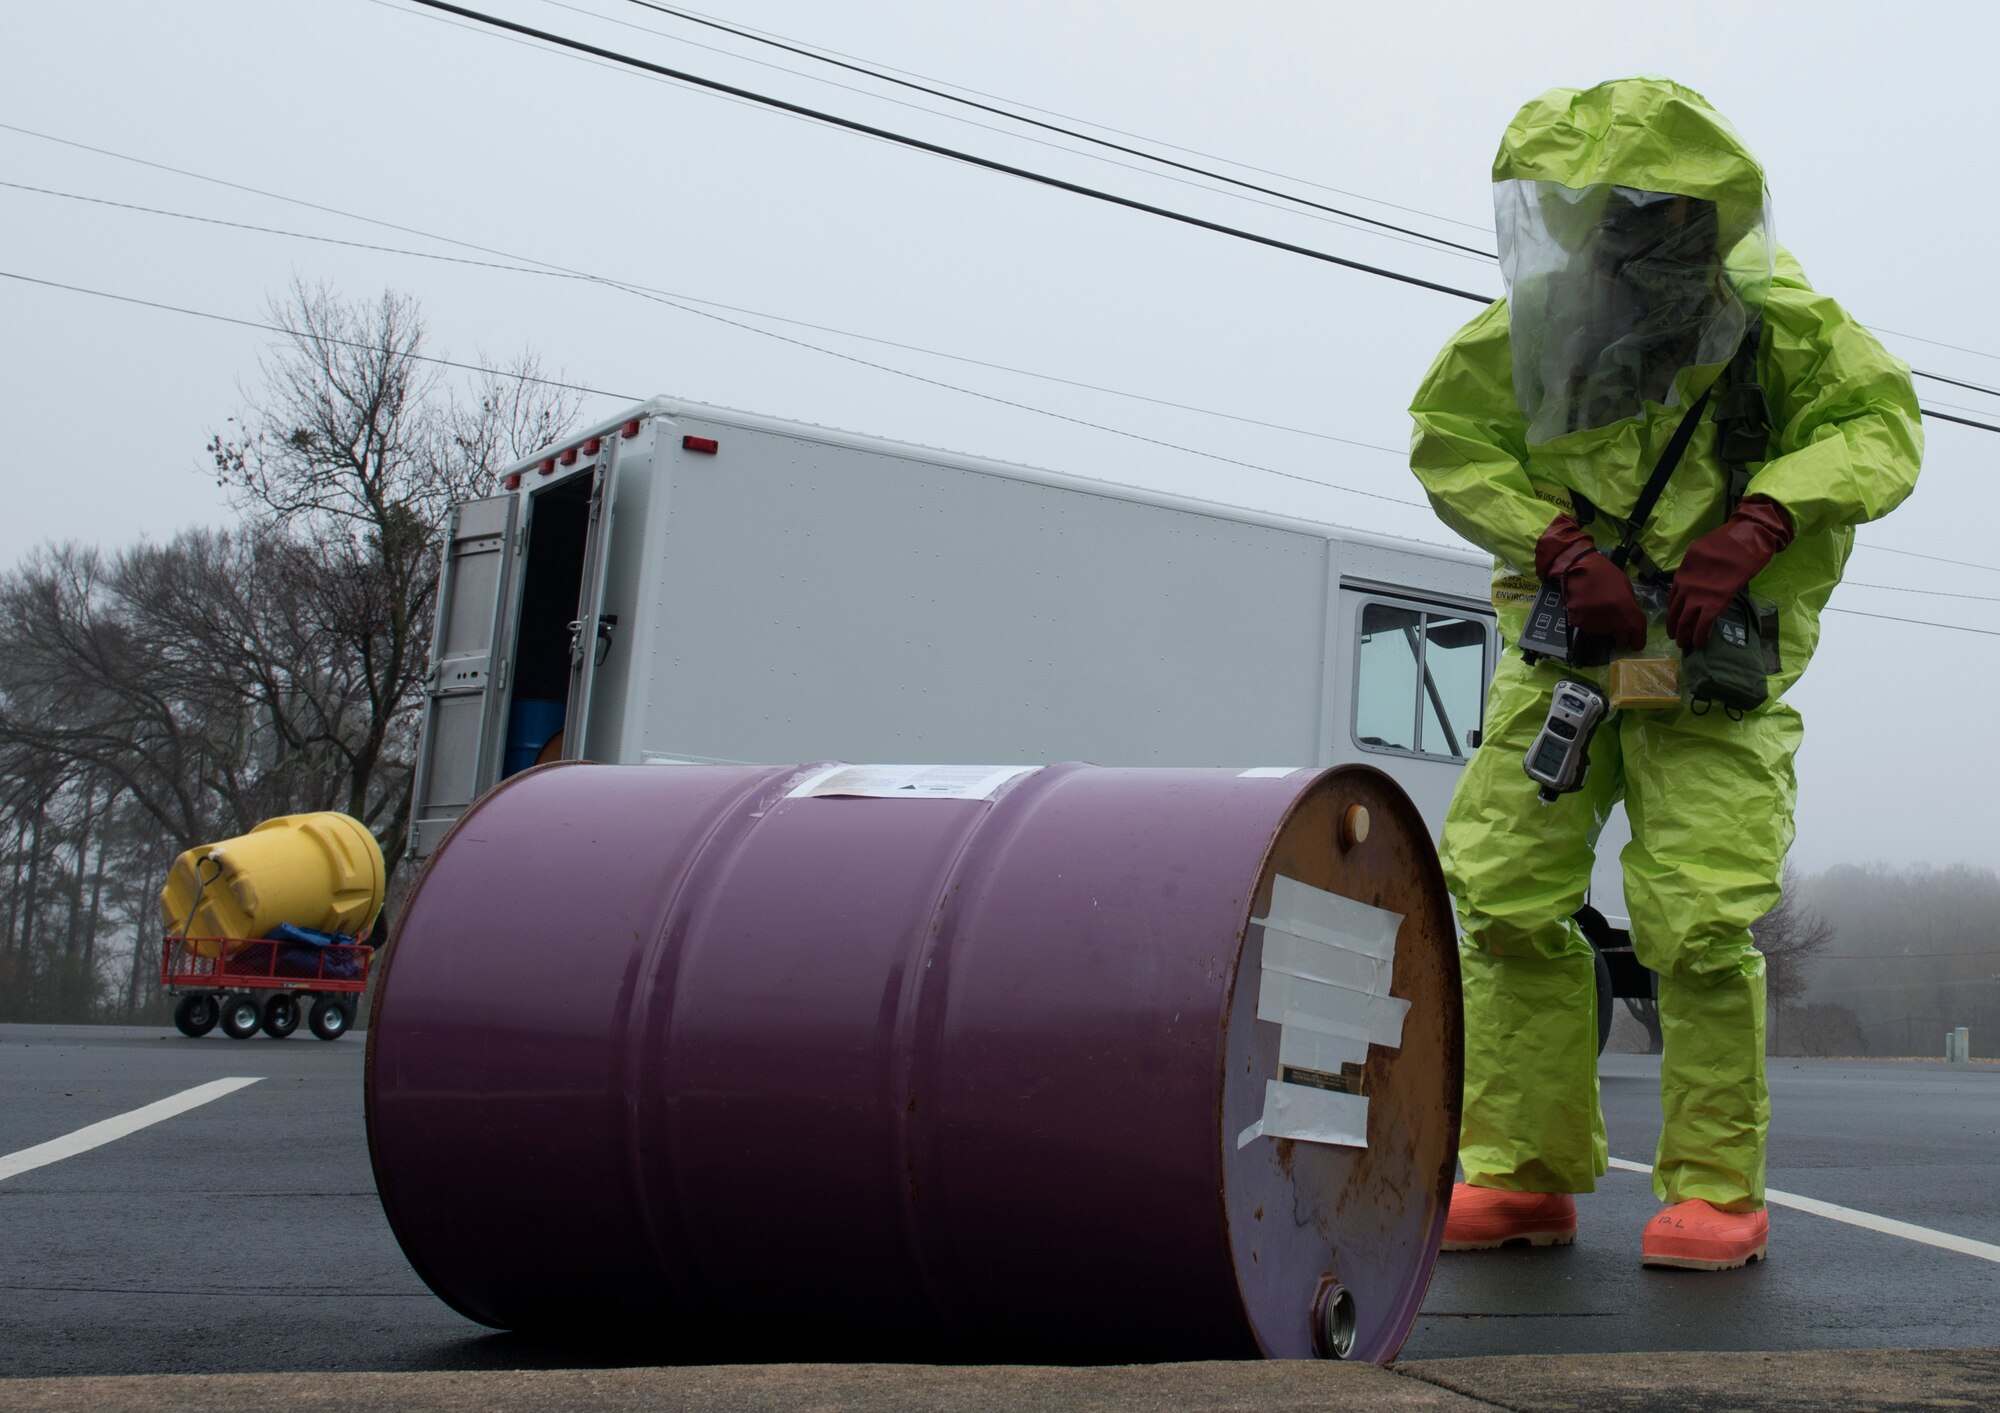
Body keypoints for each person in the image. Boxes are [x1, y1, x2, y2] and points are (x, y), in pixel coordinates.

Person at [1408, 77, 1921, 1269]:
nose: (1639, 235)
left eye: (1663, 210)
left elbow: (1877, 428)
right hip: (1571, 667)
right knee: (1500, 900)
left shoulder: (1782, 327)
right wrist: (1557, 547)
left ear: (1714, 215)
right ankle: (1520, 1174)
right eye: (1615, 212)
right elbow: (1449, 439)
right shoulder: (1534, 328)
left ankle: (1714, 1192)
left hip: (1708, 680)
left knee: (1695, 923)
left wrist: (1758, 523)